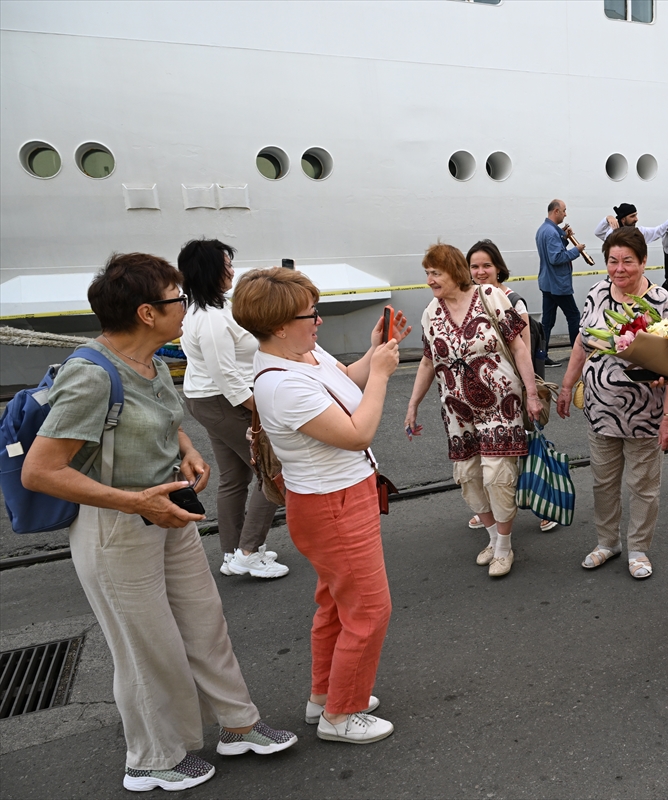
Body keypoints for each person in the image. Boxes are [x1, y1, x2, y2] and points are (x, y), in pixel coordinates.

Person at [23, 253, 296, 792]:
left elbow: (166, 417)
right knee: (146, 646)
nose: (185, 307)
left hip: (166, 514)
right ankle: (151, 758)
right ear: (148, 313)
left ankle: (238, 724)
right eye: (177, 300)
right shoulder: (90, 375)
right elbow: (41, 470)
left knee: (204, 624)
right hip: (117, 527)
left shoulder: (148, 360)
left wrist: (189, 449)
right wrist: (135, 503)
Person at [235, 267, 405, 745]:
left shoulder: (302, 356)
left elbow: (346, 381)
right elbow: (357, 434)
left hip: (336, 498)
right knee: (370, 610)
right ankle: (341, 714)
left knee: (336, 604)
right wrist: (385, 375)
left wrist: (374, 352)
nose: (319, 321)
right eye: (311, 313)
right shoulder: (282, 382)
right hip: (333, 504)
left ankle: (325, 697)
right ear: (280, 323)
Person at [406, 243, 542, 578]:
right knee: (468, 477)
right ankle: (493, 537)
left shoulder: (490, 297)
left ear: (453, 272)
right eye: (427, 273)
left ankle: (505, 547)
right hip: (457, 412)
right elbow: (427, 361)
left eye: (435, 273)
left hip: (501, 405)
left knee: (498, 476)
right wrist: (412, 404)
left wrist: (533, 393)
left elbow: (518, 346)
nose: (429, 280)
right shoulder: (431, 313)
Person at [556, 227, 668, 579]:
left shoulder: (661, 301)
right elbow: (581, 342)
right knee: (603, 482)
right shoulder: (596, 292)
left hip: (644, 411)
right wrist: (567, 386)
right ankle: (607, 542)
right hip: (600, 407)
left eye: (628, 261)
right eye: (612, 261)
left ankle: (639, 548)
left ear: (643, 261)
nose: (619, 268)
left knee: (643, 485)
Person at [178, 238, 288, 580]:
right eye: (227, 266)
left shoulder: (204, 310)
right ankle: (249, 551)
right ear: (212, 271)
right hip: (227, 401)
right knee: (273, 472)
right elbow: (225, 375)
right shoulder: (211, 319)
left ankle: (232, 553)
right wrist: (261, 408)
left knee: (234, 477)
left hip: (209, 400)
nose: (232, 271)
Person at [466, 239, 558, 532]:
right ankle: (492, 508)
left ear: (498, 268)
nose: (480, 272)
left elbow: (525, 350)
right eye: (474, 266)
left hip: (511, 389)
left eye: (486, 266)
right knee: (489, 453)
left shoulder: (512, 300)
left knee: (523, 448)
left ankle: (546, 503)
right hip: (481, 394)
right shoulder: (467, 299)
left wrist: (527, 391)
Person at [536, 199, 586, 367]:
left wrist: (563, 237)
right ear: (556, 211)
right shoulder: (551, 232)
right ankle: (577, 353)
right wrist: (576, 250)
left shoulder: (544, 230)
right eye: (564, 210)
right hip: (558, 284)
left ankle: (541, 357)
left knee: (547, 322)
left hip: (547, 283)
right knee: (573, 316)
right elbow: (556, 257)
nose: (565, 214)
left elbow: (553, 250)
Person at [593, 202, 668, 244]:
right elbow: (598, 232)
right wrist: (607, 218)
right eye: (632, 216)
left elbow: (657, 231)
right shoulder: (612, 233)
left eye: (636, 215)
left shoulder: (639, 232)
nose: (636, 219)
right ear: (623, 219)